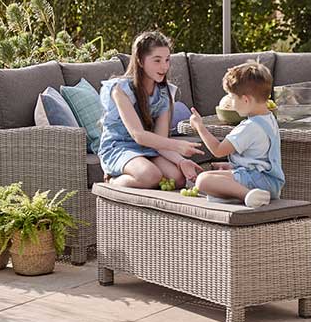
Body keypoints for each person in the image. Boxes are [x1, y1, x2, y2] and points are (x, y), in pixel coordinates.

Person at [97, 31, 205, 188]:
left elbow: (159, 140)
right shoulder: (120, 89)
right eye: (157, 60)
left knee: (179, 179)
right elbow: (138, 135)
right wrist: (177, 146)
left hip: (146, 148)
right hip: (118, 147)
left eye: (167, 60)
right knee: (151, 175)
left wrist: (181, 161)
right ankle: (111, 182)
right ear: (140, 60)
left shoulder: (164, 93)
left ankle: (142, 182)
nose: (164, 66)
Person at [189, 61, 284, 208]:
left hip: (258, 183)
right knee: (213, 176)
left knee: (202, 180)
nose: (232, 103)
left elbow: (218, 150)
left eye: (232, 98)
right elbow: (258, 159)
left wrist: (199, 126)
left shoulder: (249, 127)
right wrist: (232, 166)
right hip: (269, 182)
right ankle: (245, 194)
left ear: (246, 100)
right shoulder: (269, 119)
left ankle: (247, 195)